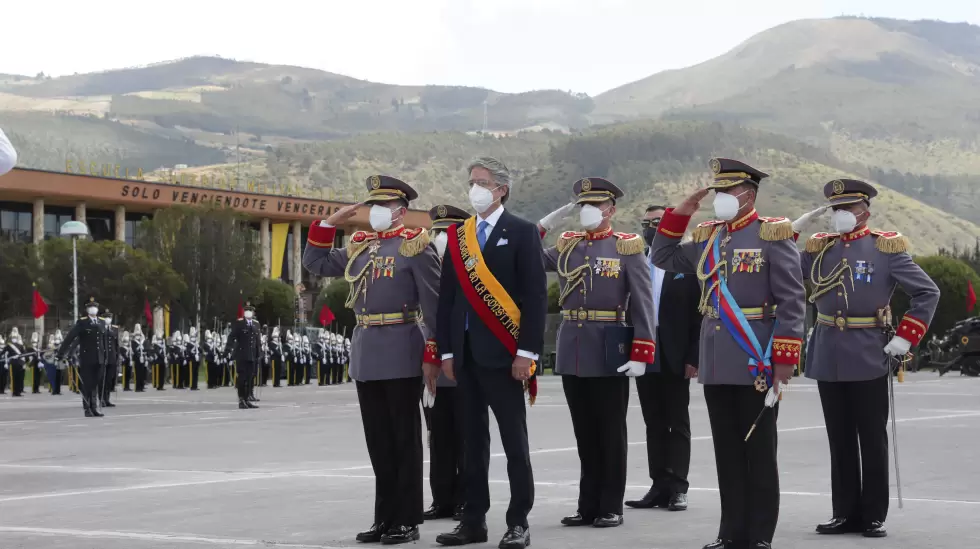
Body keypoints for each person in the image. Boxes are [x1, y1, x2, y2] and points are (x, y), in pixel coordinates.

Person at [650, 158, 806, 549]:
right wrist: (681, 213)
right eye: (715, 192)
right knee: (727, 453)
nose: (718, 198)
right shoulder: (706, 236)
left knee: (758, 452)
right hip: (717, 359)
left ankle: (759, 536)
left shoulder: (772, 235)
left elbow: (792, 300)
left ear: (747, 195)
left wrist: (785, 361)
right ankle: (730, 533)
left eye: (725, 192)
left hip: (757, 359)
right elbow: (662, 257)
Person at [794, 179, 940, 538]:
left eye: (847, 209)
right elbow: (785, 271)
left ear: (864, 212)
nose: (840, 215)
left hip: (868, 351)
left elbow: (927, 291)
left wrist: (906, 337)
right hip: (828, 350)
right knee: (839, 437)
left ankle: (873, 514)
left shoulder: (885, 248)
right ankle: (844, 512)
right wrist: (791, 234)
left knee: (871, 438)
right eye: (835, 209)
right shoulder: (819, 249)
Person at [304, 174, 441, 545]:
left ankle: (407, 519)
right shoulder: (360, 246)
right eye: (372, 205)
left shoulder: (416, 246)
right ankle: (385, 517)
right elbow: (315, 262)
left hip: (401, 345)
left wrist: (433, 353)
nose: (376, 211)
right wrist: (330, 223)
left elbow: (434, 304)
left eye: (383, 206)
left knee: (403, 438)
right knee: (378, 440)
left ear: (400, 212)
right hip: (366, 347)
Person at [433, 157, 547, 549]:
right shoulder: (459, 235)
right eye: (471, 182)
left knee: (515, 444)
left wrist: (526, 352)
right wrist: (446, 351)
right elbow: (447, 299)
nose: (474, 189)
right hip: (464, 356)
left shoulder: (522, 232)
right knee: (471, 443)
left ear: (501, 189)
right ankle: (473, 520)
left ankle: (518, 522)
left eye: (481, 182)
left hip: (504, 356)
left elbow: (534, 298)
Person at [537, 178, 655, 528]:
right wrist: (551, 220)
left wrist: (642, 350)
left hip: (609, 347)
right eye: (582, 204)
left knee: (609, 432)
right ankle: (587, 505)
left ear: (610, 209)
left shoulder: (626, 247)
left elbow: (644, 302)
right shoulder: (568, 245)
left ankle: (610, 505)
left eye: (595, 204)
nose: (587, 210)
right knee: (585, 433)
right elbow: (528, 253)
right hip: (573, 346)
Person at [625, 205, 702, 512]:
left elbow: (699, 312)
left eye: (658, 222)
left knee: (677, 422)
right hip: (644, 350)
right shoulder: (635, 258)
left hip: (675, 353)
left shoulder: (684, 260)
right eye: (647, 222)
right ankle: (658, 485)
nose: (651, 227)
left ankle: (678, 487)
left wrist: (693, 356)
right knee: (653, 423)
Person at [423, 204, 470, 522]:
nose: (440, 238)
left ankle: (467, 498)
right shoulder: (424, 268)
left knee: (466, 435)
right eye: (437, 232)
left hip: (462, 361)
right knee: (438, 435)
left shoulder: (472, 270)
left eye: (447, 232)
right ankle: (442, 498)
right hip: (430, 367)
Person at [56, 297, 109, 417]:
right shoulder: (82, 322)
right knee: (87, 384)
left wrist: (106, 356)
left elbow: (104, 340)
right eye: (90, 307)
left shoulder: (101, 321)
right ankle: (87, 408)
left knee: (95, 383)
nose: (93, 309)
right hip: (87, 358)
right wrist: (61, 353)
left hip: (100, 358)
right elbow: (70, 338)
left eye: (94, 306)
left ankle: (94, 407)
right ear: (87, 309)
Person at [225, 302, 263, 409]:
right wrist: (227, 350)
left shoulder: (256, 324)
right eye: (247, 311)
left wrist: (259, 353)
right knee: (242, 378)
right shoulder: (239, 324)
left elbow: (257, 340)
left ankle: (247, 399)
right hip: (241, 355)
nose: (249, 313)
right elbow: (231, 337)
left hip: (252, 355)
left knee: (250, 378)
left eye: (250, 311)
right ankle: (241, 399)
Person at [100, 309, 120, 408]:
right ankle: (101, 399)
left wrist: (117, 357)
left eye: (110, 317)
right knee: (102, 379)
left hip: (112, 357)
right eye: (106, 317)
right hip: (103, 357)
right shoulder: (100, 327)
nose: (108, 319)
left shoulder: (115, 329)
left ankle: (107, 399)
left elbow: (116, 345)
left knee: (109, 380)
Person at [5, 328, 27, 397]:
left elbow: (24, 355)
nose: (14, 338)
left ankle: (18, 392)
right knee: (14, 378)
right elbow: (4, 353)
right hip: (13, 364)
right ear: (11, 338)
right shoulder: (9, 345)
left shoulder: (20, 346)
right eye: (13, 337)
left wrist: (24, 364)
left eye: (15, 337)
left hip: (20, 364)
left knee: (19, 378)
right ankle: (14, 392)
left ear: (17, 338)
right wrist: (6, 361)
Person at [131, 324, 149, 392]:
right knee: (138, 373)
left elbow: (145, 350)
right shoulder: (133, 342)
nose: (138, 336)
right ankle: (137, 388)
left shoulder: (142, 341)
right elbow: (134, 350)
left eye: (139, 335)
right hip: (137, 358)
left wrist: (146, 358)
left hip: (143, 358)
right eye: (137, 335)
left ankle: (141, 387)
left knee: (142, 373)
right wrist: (139, 347)